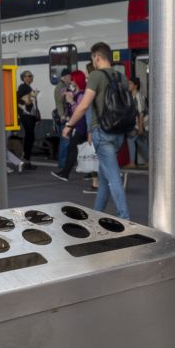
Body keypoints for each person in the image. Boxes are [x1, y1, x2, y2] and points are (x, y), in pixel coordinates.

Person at [62, 42, 130, 219]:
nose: (93, 61)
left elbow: (85, 105)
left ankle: (125, 218)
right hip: (118, 132)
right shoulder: (120, 76)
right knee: (104, 179)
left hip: (103, 133)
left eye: (93, 58)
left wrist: (69, 125)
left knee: (113, 178)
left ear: (97, 57)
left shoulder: (96, 76)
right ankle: (95, 215)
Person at [52, 71, 88, 181]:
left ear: (77, 81)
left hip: (79, 126)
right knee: (82, 149)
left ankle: (65, 173)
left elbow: (79, 111)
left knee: (73, 148)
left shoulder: (81, 95)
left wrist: (71, 102)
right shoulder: (76, 93)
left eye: (72, 79)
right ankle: (91, 172)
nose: (71, 81)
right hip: (77, 125)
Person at [54, 68, 77, 171]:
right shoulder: (61, 87)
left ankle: (66, 162)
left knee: (67, 140)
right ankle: (62, 163)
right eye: (69, 77)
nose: (70, 78)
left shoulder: (65, 86)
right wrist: (62, 115)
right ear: (65, 77)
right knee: (65, 141)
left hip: (68, 116)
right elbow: (59, 103)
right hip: (65, 116)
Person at [16, 70, 40, 169]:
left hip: (30, 115)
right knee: (29, 137)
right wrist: (28, 100)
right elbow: (18, 100)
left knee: (30, 137)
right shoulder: (23, 87)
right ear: (24, 78)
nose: (31, 77)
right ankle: (26, 161)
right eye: (28, 76)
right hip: (26, 115)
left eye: (31, 76)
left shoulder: (28, 87)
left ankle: (27, 160)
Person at [126, 76, 149, 168]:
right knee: (138, 141)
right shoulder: (131, 96)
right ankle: (148, 161)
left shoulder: (139, 96)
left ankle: (133, 163)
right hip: (135, 124)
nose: (128, 85)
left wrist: (140, 127)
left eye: (130, 83)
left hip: (141, 124)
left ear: (135, 86)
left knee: (133, 140)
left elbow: (141, 113)